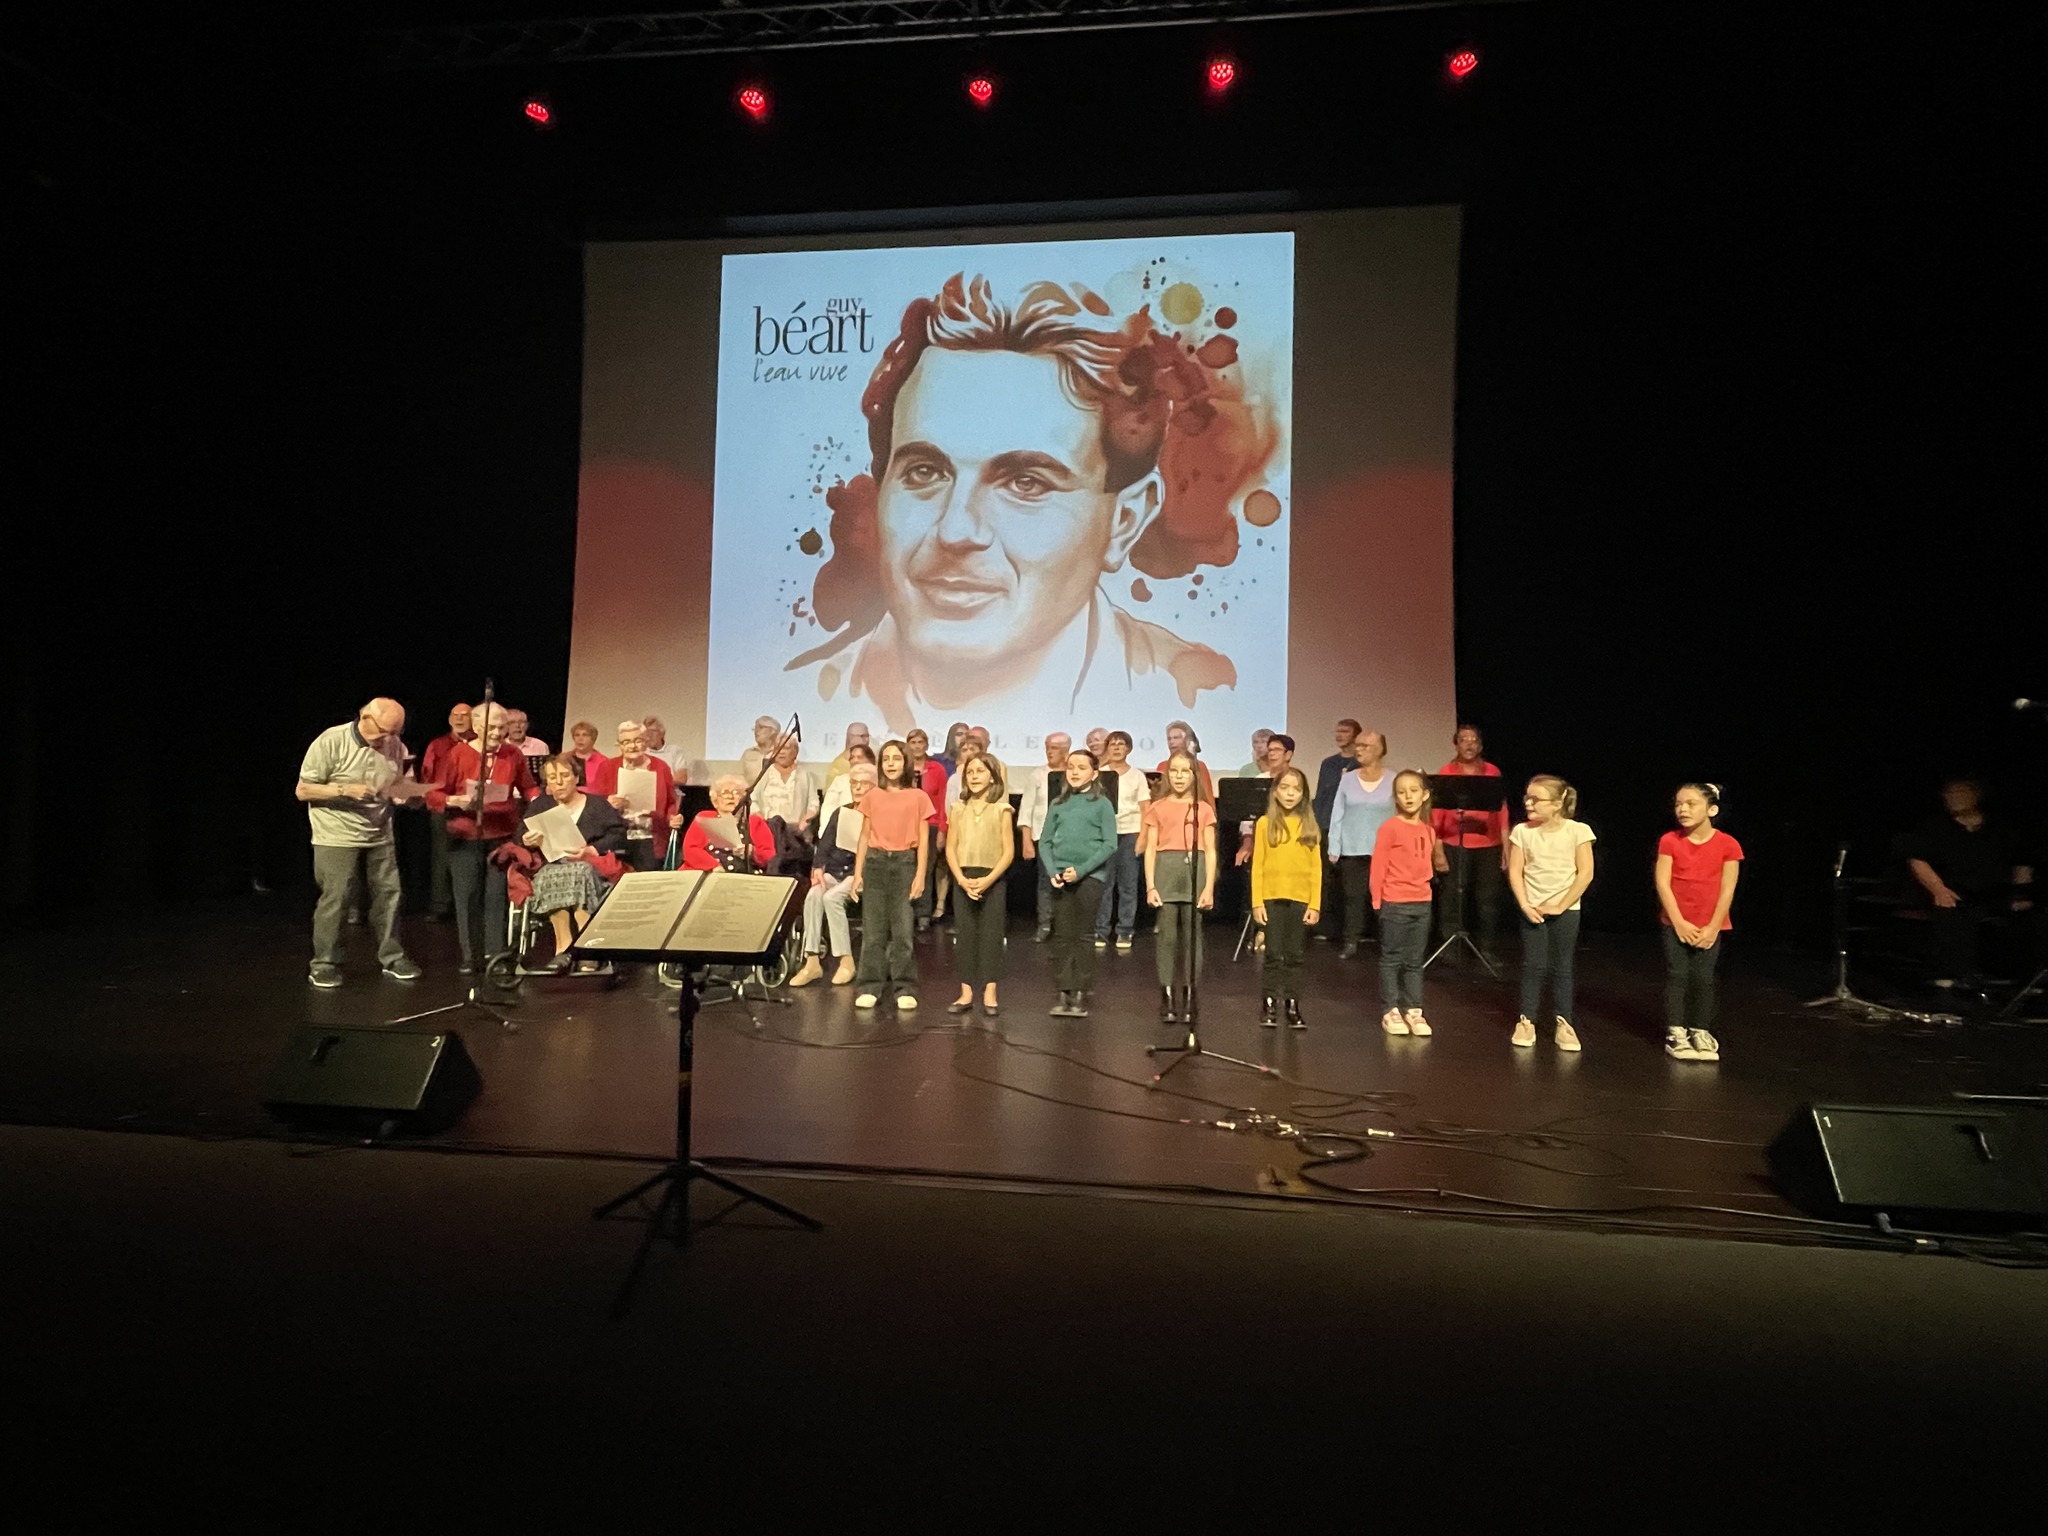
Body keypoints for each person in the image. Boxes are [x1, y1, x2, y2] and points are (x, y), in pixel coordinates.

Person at [785, 274, 1237, 730]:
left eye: (1025, 483)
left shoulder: (1196, 697)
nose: (956, 530)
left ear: (1125, 521)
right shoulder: (804, 704)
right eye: (924, 472)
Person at [297, 698, 421, 988]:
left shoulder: (395, 745)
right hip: (336, 834)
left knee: (389, 895)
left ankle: (393, 957)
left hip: (379, 831)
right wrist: (344, 789)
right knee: (337, 897)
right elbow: (303, 790)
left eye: (396, 732)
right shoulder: (331, 741)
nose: (388, 739)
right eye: (384, 732)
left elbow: (402, 785)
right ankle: (324, 963)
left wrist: (411, 796)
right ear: (365, 717)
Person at [426, 703, 539, 977]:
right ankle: (471, 956)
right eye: (492, 727)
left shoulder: (512, 754)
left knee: (497, 897)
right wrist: (456, 801)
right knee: (467, 897)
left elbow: (528, 787)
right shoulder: (457, 754)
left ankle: (495, 955)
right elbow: (434, 794)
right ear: (477, 727)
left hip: (501, 837)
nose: (499, 733)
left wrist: (540, 803)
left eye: (502, 727)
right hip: (465, 836)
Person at [1900, 777, 2034, 994]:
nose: (1953, 798)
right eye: (1949, 794)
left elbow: (2021, 862)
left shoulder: (1999, 828)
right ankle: (1951, 977)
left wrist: (2021, 894)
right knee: (1952, 913)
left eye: (1960, 792)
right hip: (1953, 890)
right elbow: (1917, 859)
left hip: (1995, 892)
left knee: (2030, 918)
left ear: (1976, 795)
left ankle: (2022, 979)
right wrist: (1938, 889)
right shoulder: (1935, 827)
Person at [1506, 775, 1597, 1053]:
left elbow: (1585, 873)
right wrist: (1525, 904)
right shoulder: (1523, 832)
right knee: (1533, 965)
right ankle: (1526, 1021)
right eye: (1527, 798)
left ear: (1557, 804)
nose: (1528, 803)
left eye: (1536, 799)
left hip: (1566, 909)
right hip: (1532, 909)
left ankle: (1564, 1022)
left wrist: (1561, 905)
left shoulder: (1578, 831)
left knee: (1562, 966)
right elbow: (1515, 871)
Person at [1655, 782, 1744, 1063]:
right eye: (1678, 804)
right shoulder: (1670, 840)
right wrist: (1678, 922)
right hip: (1675, 922)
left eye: (1691, 804)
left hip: (1711, 925)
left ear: (1711, 809)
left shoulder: (1728, 844)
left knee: (1703, 978)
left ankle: (1700, 1030)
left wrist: (1713, 926)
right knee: (1678, 975)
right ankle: (1676, 1032)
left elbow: (1728, 889)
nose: (1682, 809)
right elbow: (1663, 883)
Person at [519, 754, 629, 972]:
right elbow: (520, 835)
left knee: (580, 871)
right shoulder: (541, 806)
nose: (559, 782)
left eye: (564, 775)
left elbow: (618, 835)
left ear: (576, 778)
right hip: (554, 864)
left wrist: (591, 850)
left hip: (591, 865)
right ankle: (563, 947)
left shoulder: (597, 804)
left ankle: (587, 947)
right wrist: (527, 840)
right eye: (552, 778)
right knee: (550, 874)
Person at [849, 740, 935, 1011]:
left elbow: (923, 840)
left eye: (896, 758)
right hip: (875, 863)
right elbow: (864, 836)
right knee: (873, 932)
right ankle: (869, 985)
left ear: (905, 762)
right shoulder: (872, 796)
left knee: (902, 931)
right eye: (886, 759)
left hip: (904, 863)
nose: (890, 764)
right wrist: (857, 873)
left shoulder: (918, 797)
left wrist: (920, 875)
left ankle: (904, 986)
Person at [1040, 748, 1118, 1018]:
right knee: (1062, 935)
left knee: (1083, 934)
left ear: (1094, 773)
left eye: (1081, 767)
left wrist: (1082, 870)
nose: (1074, 772)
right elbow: (1045, 842)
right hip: (1061, 877)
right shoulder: (1058, 803)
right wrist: (1053, 871)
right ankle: (1064, 991)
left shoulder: (1102, 804)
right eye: (1071, 767)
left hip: (1090, 877)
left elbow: (1110, 844)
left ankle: (1081, 991)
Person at [1142, 751, 1217, 1024]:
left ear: (1194, 775)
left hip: (1194, 870)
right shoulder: (1158, 807)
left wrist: (1208, 887)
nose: (1179, 777)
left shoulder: (1203, 808)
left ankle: (1190, 993)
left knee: (1193, 936)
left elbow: (1210, 850)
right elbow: (1151, 848)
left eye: (1185, 771)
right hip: (1166, 870)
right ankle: (1167, 994)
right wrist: (1151, 886)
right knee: (1167, 936)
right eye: (1174, 771)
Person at [1372, 770, 1447, 1035]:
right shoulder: (1389, 828)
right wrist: (1378, 901)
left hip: (1421, 902)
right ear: (1395, 797)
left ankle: (1414, 1010)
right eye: (1402, 792)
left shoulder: (1428, 830)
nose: (1408, 797)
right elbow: (1378, 866)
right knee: (1392, 958)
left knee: (1415, 960)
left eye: (1414, 791)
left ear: (1424, 795)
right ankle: (1391, 1010)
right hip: (1395, 901)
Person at [791, 762, 876, 988]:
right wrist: (818, 866)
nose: (857, 788)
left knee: (832, 898)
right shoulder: (842, 812)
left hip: (861, 873)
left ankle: (846, 961)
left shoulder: (878, 814)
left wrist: (857, 874)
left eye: (863, 784)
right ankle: (811, 961)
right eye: (854, 783)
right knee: (814, 894)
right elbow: (825, 844)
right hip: (836, 870)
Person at [945, 753, 1015, 1017]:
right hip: (963, 877)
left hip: (992, 878)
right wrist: (961, 879)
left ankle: (990, 992)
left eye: (980, 771)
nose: (974, 777)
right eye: (970, 772)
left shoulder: (1001, 810)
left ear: (992, 777)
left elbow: (1008, 852)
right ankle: (966, 992)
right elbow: (951, 848)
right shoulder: (958, 809)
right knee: (965, 935)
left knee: (991, 935)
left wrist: (987, 880)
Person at [1250, 766, 1321, 1029]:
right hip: (1271, 898)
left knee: (1294, 955)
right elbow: (1258, 865)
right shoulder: (1264, 823)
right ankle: (1269, 1003)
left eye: (1296, 789)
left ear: (1303, 794)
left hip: (1300, 899)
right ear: (1275, 792)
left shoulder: (1308, 825)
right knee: (1273, 954)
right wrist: (1257, 901)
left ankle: (1292, 1004)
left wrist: (1314, 904)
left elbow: (1316, 869)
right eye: (1285, 788)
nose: (1290, 794)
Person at [1432, 725, 1509, 959]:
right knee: (1452, 896)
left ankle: (1487, 948)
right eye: (1464, 739)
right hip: (1454, 843)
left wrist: (1506, 848)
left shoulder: (1491, 772)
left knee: (1488, 899)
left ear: (1481, 746)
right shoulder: (1447, 772)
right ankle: (1450, 949)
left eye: (1474, 740)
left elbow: (1502, 812)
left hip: (1488, 845)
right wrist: (1437, 849)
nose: (1469, 743)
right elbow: (1436, 814)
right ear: (1456, 745)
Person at [1326, 730, 1393, 958]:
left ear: (1381, 750)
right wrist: (1334, 846)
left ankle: (1387, 943)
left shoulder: (1394, 780)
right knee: (1353, 898)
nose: (1359, 749)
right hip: (1353, 849)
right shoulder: (1348, 779)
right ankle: (1351, 941)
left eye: (1366, 745)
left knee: (1385, 899)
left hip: (1385, 852)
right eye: (1358, 745)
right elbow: (1337, 813)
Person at [585, 721, 684, 871]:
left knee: (647, 875)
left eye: (637, 740)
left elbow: (670, 803)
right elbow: (593, 804)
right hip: (616, 836)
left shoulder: (661, 767)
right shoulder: (607, 767)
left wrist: (673, 817)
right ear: (619, 745)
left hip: (650, 837)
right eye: (626, 742)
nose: (632, 746)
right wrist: (608, 803)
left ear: (646, 742)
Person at [1093, 729, 1151, 952]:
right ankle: (1101, 930)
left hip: (1130, 833)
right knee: (1104, 885)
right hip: (1104, 835)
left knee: (1128, 885)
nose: (1116, 748)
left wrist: (1143, 837)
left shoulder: (1137, 776)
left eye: (1121, 744)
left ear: (1129, 749)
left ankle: (1125, 930)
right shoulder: (1099, 774)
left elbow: (1145, 808)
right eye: (1112, 744)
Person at [417, 703, 473, 923]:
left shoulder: (479, 744)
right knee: (441, 856)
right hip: (443, 806)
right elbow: (427, 776)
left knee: (469, 856)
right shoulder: (438, 745)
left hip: (472, 807)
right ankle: (440, 905)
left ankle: (467, 905)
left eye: (464, 715)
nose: (459, 719)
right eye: (455, 715)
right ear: (449, 719)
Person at [1015, 731, 1071, 942]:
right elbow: (1026, 809)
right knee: (1046, 882)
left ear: (1066, 750)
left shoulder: (1074, 774)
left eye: (1054, 748)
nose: (1049, 752)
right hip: (1043, 837)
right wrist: (1026, 840)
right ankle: (1045, 925)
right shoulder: (1037, 775)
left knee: (1069, 882)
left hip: (1070, 838)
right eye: (1047, 747)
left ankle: (1066, 926)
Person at [1312, 719, 1363, 940]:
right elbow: (1321, 795)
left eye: (1345, 731)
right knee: (1327, 880)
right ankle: (1326, 928)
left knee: (1351, 883)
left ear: (1356, 735)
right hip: (1327, 825)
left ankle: (1354, 931)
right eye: (1338, 731)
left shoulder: (1361, 764)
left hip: (1352, 828)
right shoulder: (1328, 764)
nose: (1339, 735)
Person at [904, 727, 951, 928]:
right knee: (906, 868)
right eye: (913, 742)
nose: (917, 746)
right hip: (906, 826)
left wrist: (942, 829)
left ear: (927, 745)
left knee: (926, 868)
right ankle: (905, 913)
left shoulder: (936, 769)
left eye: (920, 742)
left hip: (930, 825)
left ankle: (923, 913)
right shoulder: (903, 768)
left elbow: (942, 800)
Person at [682, 775, 779, 873]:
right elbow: (690, 850)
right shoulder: (705, 817)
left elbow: (770, 857)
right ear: (715, 801)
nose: (730, 797)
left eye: (736, 793)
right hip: (709, 874)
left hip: (746, 876)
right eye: (725, 793)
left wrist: (751, 852)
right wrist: (714, 866)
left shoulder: (755, 822)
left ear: (744, 799)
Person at [754, 736, 819, 839]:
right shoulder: (765, 773)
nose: (781, 752)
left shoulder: (804, 774)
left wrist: (803, 824)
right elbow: (753, 800)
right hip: (768, 829)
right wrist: (761, 822)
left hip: (796, 831)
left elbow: (813, 803)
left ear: (795, 752)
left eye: (786, 748)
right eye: (778, 748)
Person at [818, 741, 877, 828]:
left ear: (870, 761)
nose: (855, 760)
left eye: (859, 757)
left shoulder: (878, 782)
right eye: (852, 757)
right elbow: (828, 808)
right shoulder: (840, 781)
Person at [1156, 720, 1214, 799]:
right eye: (1169, 739)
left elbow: (1208, 799)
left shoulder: (1199, 766)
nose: (1171, 742)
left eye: (1176, 738)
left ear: (1188, 741)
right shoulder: (1162, 766)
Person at [641, 715, 691, 781]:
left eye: (653, 731)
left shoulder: (674, 750)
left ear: (662, 733)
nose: (649, 735)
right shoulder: (641, 752)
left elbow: (682, 779)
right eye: (646, 732)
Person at [739, 715, 784, 782]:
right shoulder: (748, 753)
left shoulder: (782, 753)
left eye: (760, 727)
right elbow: (738, 776)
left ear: (773, 731)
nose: (756, 731)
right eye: (755, 728)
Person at [567, 721, 609, 787]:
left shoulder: (604, 762)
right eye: (577, 735)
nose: (580, 739)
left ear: (593, 739)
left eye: (585, 735)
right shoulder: (564, 759)